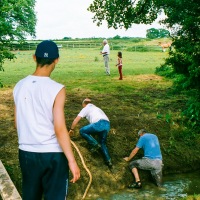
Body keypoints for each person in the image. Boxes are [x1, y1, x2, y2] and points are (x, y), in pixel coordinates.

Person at [13, 40, 80, 200]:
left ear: (34, 57)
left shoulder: (19, 85)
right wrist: (71, 160)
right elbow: (59, 128)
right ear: (56, 60)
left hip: (27, 153)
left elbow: (17, 123)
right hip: (53, 155)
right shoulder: (57, 89)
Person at [69, 98, 112, 168]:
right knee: (102, 143)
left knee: (82, 131)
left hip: (99, 123)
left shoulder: (86, 108)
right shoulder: (97, 108)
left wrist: (71, 129)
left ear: (84, 104)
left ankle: (95, 145)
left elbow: (76, 119)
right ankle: (108, 161)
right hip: (107, 124)